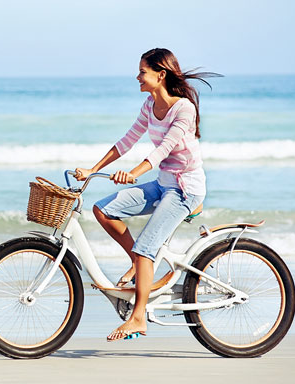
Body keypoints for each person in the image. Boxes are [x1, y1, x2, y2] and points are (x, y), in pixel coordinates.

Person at [75, 48, 221, 342]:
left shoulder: (184, 109)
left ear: (160, 75)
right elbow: (127, 140)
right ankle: (140, 264)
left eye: (142, 71)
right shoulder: (148, 104)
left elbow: (163, 149)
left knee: (146, 248)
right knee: (103, 210)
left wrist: (134, 173)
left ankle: (139, 316)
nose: (138, 76)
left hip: (185, 188)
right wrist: (93, 169)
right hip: (163, 183)